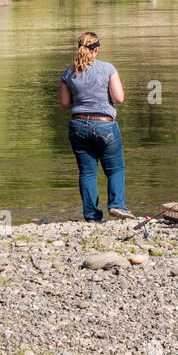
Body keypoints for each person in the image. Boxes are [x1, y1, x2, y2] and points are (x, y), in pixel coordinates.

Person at [60, 31, 134, 222]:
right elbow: (119, 98)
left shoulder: (69, 72)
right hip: (104, 125)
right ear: (97, 49)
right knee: (115, 169)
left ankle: (92, 216)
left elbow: (65, 103)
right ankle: (117, 205)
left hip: (77, 125)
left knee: (87, 172)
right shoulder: (107, 68)